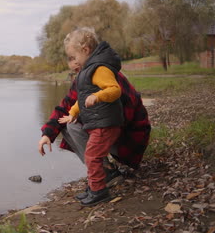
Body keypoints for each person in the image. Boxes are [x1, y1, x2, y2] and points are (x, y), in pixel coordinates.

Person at [38, 27, 151, 207]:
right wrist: (47, 134)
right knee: (68, 122)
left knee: (91, 153)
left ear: (85, 51)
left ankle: (101, 183)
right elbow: (67, 105)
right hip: (109, 128)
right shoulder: (84, 77)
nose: (71, 65)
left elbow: (127, 109)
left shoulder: (103, 72)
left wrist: (98, 131)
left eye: (73, 58)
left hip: (127, 135)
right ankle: (103, 174)